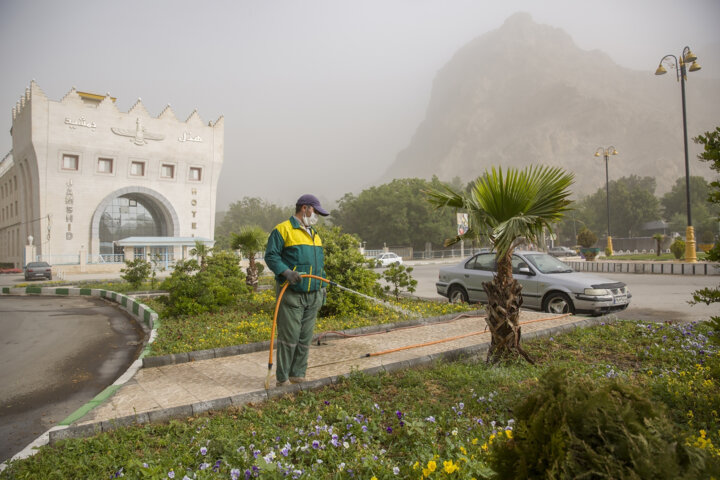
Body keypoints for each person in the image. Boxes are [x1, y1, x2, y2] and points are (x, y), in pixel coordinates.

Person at [264, 194, 329, 386]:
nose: (316, 215)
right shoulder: (283, 230)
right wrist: (285, 272)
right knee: (290, 337)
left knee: (305, 337)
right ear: (305, 208)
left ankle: (298, 374)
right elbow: (271, 256)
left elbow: (319, 264)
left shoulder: (314, 234)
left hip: (313, 294)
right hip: (292, 294)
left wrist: (322, 287)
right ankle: (282, 378)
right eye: (315, 211)